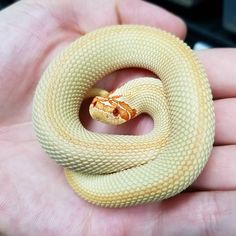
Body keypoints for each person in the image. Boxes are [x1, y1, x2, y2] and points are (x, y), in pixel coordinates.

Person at [0, 0, 235, 235]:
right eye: (97, 104)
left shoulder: (153, 96)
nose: (99, 112)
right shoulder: (147, 99)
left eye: (112, 112)